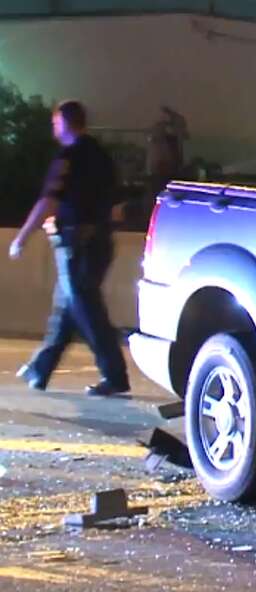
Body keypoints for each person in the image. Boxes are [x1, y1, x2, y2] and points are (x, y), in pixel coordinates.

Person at [8, 100, 130, 396]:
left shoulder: (69, 157)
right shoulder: (100, 155)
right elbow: (115, 204)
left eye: (55, 123)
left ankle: (114, 375)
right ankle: (41, 369)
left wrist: (22, 237)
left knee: (86, 311)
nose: (53, 128)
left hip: (77, 246)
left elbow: (49, 200)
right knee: (66, 309)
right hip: (97, 242)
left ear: (64, 122)